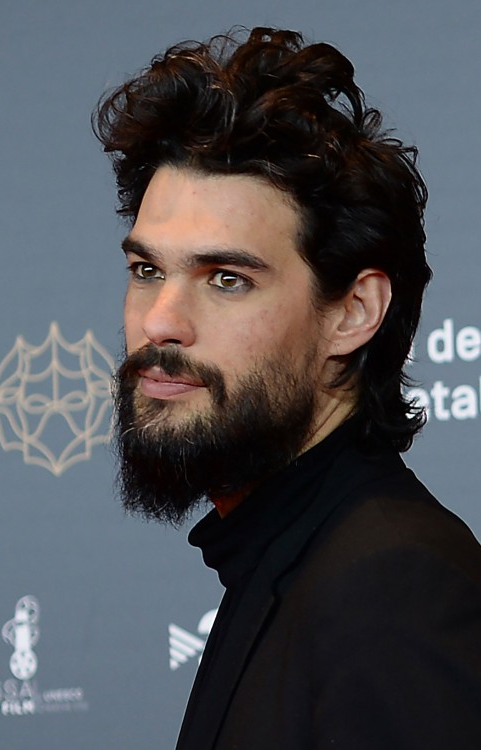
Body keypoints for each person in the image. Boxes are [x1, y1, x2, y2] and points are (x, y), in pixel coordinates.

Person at [93, 27, 481, 749]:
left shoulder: (393, 592)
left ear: (353, 313)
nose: (160, 322)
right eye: (147, 270)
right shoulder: (287, 561)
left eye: (226, 279)